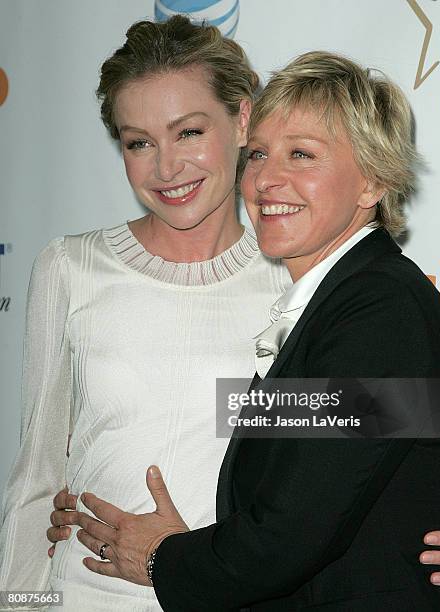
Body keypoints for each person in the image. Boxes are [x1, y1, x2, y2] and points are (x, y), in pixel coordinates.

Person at [55, 51, 440, 611]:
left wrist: (160, 557)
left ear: (372, 181)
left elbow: (286, 537)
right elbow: (343, 480)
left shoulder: (379, 311)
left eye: (302, 155)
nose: (267, 180)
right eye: (258, 155)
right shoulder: (331, 304)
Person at [0, 16, 291, 612]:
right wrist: (20, 601)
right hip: (79, 596)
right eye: (139, 142)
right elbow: (36, 477)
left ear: (240, 120)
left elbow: (377, 437)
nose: (166, 168)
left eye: (188, 133)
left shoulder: (292, 279)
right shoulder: (69, 268)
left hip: (228, 598)